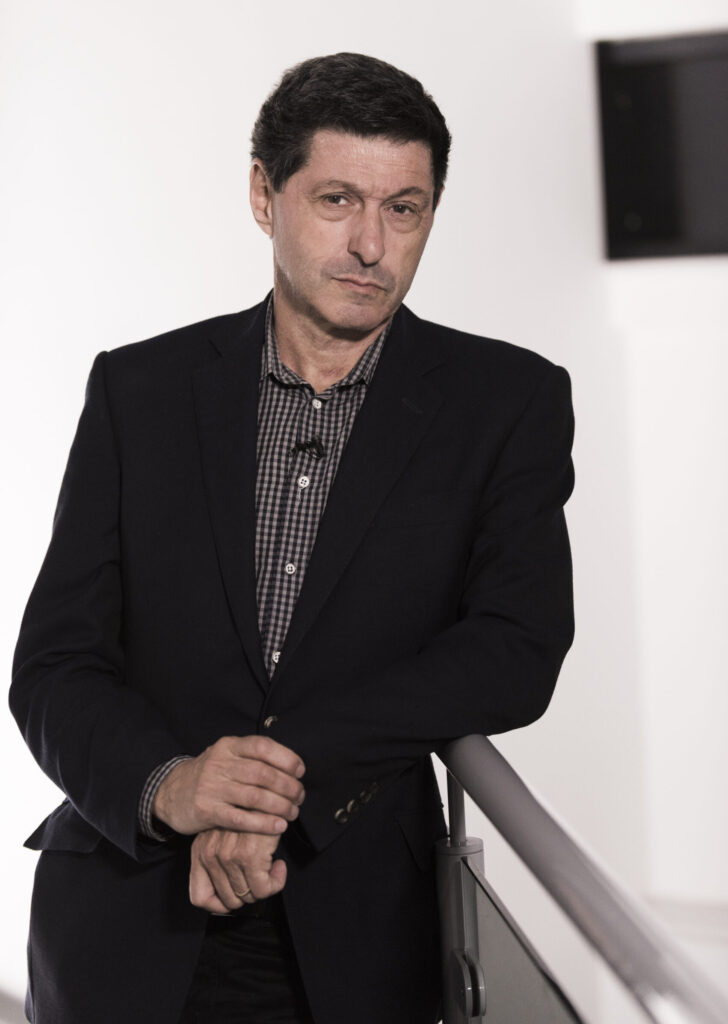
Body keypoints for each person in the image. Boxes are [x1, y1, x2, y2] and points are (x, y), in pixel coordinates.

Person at [10, 52, 574, 1024]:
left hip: (351, 931)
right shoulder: (140, 391)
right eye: (337, 200)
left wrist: (279, 775)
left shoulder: (504, 400)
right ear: (264, 196)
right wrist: (174, 786)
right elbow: (54, 663)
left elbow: (514, 647)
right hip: (127, 919)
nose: (369, 244)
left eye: (404, 208)